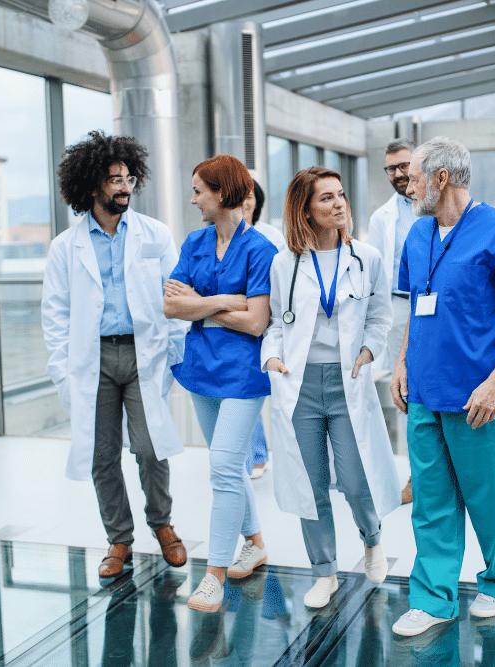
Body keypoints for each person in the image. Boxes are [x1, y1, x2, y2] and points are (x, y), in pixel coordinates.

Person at [389, 137, 495, 637]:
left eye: (413, 177)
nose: (406, 185)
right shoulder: (416, 235)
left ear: (440, 178)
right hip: (425, 395)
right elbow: (418, 305)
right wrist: (401, 363)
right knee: (431, 503)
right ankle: (433, 598)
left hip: (481, 398)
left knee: (491, 499)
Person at [41, 130, 187, 579]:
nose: (124, 186)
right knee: (101, 454)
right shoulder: (66, 248)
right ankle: (118, 538)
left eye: (127, 178)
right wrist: (65, 373)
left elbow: (176, 296)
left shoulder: (154, 234)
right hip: (94, 361)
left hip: (144, 354)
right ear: (90, 187)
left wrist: (174, 349)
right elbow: (55, 315)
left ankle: (162, 524)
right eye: (114, 179)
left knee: (150, 446)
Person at [262, 167, 400, 609]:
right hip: (298, 385)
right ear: (305, 209)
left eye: (340, 195)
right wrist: (270, 356)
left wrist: (368, 352)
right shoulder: (286, 262)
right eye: (326, 198)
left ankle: (373, 540)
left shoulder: (368, 257)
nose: (339, 204)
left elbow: (381, 317)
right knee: (311, 483)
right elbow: (275, 324)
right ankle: (324, 572)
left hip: (349, 383)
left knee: (357, 480)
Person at [164, 154, 279, 612]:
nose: (193, 200)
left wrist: (201, 303)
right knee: (228, 466)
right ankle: (255, 542)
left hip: (243, 374)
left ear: (223, 192)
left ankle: (212, 574)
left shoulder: (261, 249)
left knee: (224, 468)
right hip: (200, 369)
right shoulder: (195, 242)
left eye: (198, 191)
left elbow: (255, 323)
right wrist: (221, 300)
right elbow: (171, 306)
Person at [367, 138, 418, 505]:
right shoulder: (382, 217)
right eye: (392, 168)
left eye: (404, 165)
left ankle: (444, 473)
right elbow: (377, 273)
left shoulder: (434, 204)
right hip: (400, 307)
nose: (399, 174)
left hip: (439, 306)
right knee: (405, 389)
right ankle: (417, 476)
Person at [241, 179, 285, 480]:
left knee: (268, 390)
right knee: (245, 389)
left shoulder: (271, 237)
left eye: (250, 197)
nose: (245, 202)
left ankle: (271, 454)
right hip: (238, 324)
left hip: (269, 323)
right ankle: (256, 454)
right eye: (240, 197)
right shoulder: (219, 238)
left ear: (258, 201)